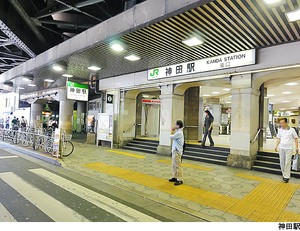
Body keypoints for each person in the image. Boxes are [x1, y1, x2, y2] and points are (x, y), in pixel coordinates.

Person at [275, 118, 299, 183]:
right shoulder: (280, 130)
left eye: (282, 123)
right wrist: (276, 146)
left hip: (289, 149)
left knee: (287, 162)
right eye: (280, 123)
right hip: (281, 148)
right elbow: (279, 138)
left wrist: (297, 147)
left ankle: (286, 177)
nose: (281, 124)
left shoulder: (292, 130)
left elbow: (296, 138)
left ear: (286, 123)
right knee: (282, 162)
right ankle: (284, 174)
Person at [169, 120, 184, 186]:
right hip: (175, 150)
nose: (174, 126)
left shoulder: (179, 133)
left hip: (177, 151)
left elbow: (171, 137)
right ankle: (174, 177)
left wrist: (172, 131)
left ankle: (179, 179)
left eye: (175, 125)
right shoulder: (178, 132)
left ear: (178, 126)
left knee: (178, 165)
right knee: (174, 165)